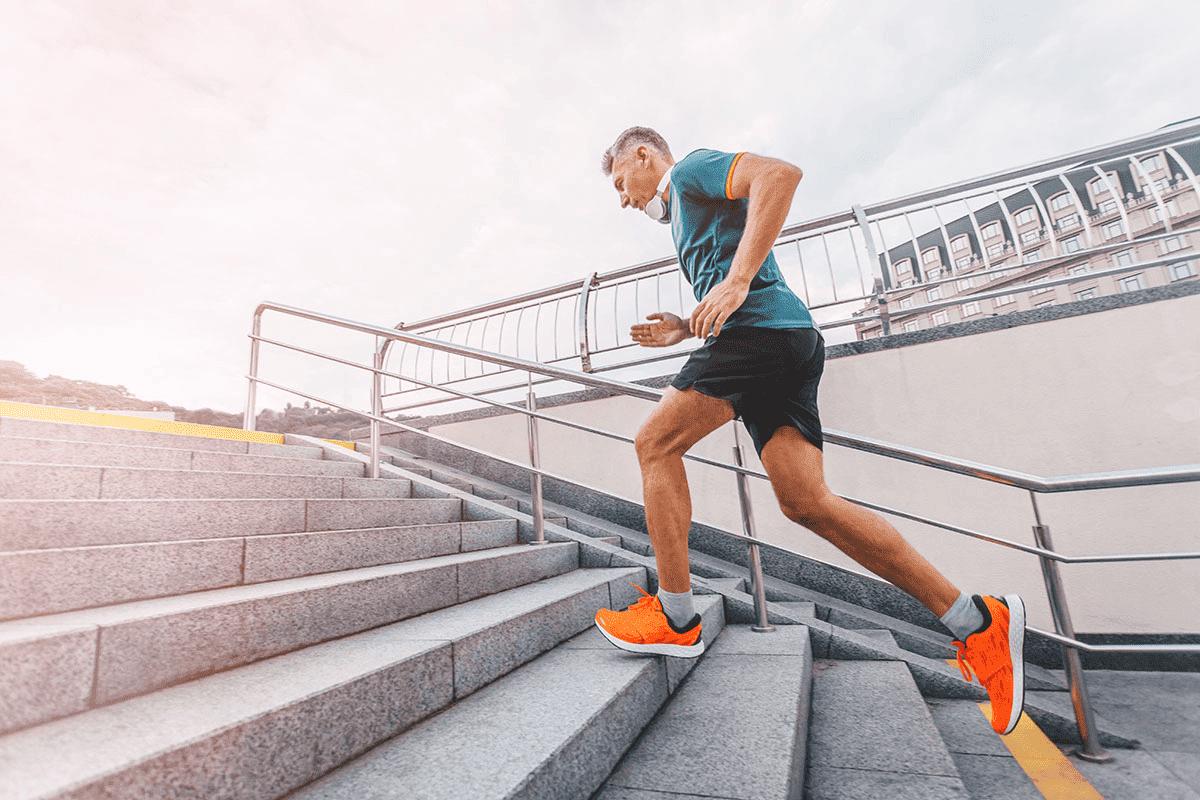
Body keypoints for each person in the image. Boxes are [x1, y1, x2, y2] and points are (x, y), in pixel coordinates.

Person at [591, 126, 1027, 736]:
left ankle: (676, 616)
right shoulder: (684, 218)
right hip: (785, 342)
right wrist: (686, 329)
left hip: (760, 338)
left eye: (620, 184)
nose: (623, 200)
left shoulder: (689, 171)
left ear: (643, 156)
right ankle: (977, 621)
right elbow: (734, 278)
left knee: (654, 443)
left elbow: (780, 175)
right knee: (807, 503)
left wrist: (737, 282)